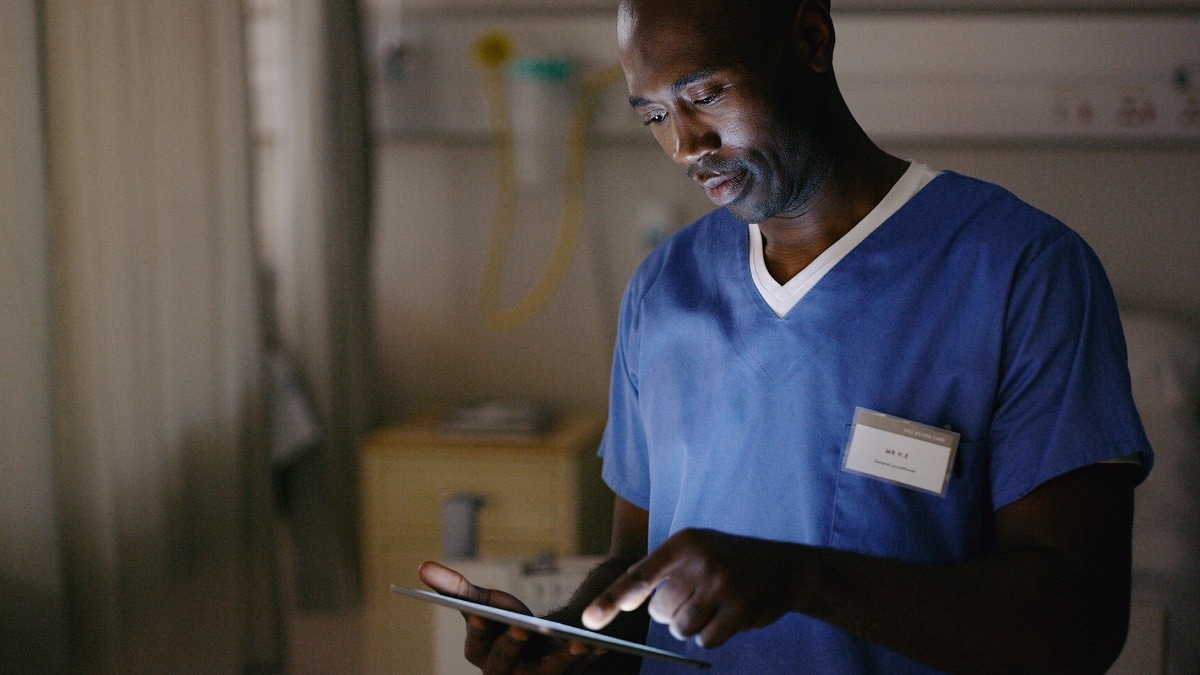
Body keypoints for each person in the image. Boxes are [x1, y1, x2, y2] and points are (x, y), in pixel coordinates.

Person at [420, 0, 1154, 672]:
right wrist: (568, 641)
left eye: (705, 95)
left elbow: (1077, 624)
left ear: (810, 38)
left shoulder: (1018, 272)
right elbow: (636, 566)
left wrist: (802, 579)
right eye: (653, 116)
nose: (684, 145)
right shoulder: (663, 291)